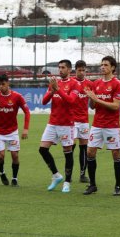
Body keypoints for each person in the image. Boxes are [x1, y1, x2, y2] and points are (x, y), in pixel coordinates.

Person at [84, 56, 120, 196]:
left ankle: (118, 186)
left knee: (115, 154)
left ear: (113, 67)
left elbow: (115, 106)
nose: (102, 67)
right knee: (90, 152)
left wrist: (97, 99)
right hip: (97, 124)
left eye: (106, 65)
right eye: (101, 65)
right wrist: (91, 98)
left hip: (112, 125)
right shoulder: (96, 83)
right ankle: (93, 185)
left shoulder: (117, 84)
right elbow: (93, 106)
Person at [0, 74, 30, 186]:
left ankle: (14, 179)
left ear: (8, 83)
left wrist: (26, 129)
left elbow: (27, 112)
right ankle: (2, 173)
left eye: (3, 84)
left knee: (15, 156)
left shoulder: (17, 97)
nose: (0, 87)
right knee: (1, 156)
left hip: (12, 132)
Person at [39, 59, 79, 193]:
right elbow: (44, 101)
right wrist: (52, 90)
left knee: (68, 152)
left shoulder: (75, 84)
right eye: (59, 67)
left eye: (63, 67)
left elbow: (71, 101)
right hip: (52, 123)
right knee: (43, 149)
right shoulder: (55, 83)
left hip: (67, 124)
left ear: (69, 69)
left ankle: (67, 182)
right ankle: (56, 175)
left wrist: (58, 90)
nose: (60, 70)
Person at [72, 60, 91, 183]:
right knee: (70, 147)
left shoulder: (89, 84)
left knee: (84, 148)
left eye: (83, 70)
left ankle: (82, 174)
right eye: (79, 70)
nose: (82, 72)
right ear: (75, 70)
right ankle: (68, 172)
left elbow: (94, 100)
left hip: (84, 120)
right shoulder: (71, 83)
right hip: (71, 120)